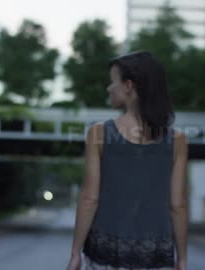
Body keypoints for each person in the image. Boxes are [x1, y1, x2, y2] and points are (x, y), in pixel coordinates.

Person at [65, 51, 189, 270]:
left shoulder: (99, 133)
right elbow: (177, 205)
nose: (108, 88)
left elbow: (89, 198)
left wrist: (75, 253)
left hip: (106, 252)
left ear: (128, 85)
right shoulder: (178, 141)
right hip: (155, 255)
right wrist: (182, 258)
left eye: (112, 82)